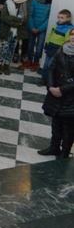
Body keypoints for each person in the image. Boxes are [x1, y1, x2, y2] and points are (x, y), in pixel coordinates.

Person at [37, 30, 74, 158]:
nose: (73, 37)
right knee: (56, 122)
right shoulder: (62, 49)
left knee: (68, 127)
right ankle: (54, 147)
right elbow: (51, 68)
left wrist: (62, 89)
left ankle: (64, 152)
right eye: (72, 34)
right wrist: (51, 86)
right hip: (55, 92)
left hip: (70, 96)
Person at [0, 0, 29, 75]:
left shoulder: (25, 3)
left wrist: (15, 20)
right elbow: (4, 17)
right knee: (4, 48)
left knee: (12, 49)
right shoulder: (8, 2)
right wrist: (17, 22)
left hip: (17, 32)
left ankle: (6, 65)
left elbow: (25, 18)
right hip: (7, 30)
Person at [21, 0, 53, 72]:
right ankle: (29, 61)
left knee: (39, 47)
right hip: (32, 26)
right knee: (30, 45)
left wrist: (40, 28)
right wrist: (31, 26)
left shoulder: (52, 2)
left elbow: (49, 18)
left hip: (42, 28)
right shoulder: (35, 0)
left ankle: (36, 62)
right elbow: (30, 14)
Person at [39, 10, 73, 86]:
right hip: (50, 47)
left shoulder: (69, 29)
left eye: (62, 18)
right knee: (45, 65)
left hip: (57, 50)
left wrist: (61, 50)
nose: (59, 19)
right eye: (58, 17)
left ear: (68, 18)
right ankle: (43, 79)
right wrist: (47, 43)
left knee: (51, 65)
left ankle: (49, 81)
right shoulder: (56, 25)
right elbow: (50, 35)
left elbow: (66, 41)